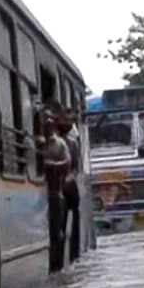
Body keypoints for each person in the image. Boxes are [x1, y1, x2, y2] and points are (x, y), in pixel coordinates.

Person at [38, 106, 72, 272]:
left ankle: (57, 267)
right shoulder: (37, 142)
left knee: (56, 232)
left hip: (54, 193)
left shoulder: (60, 143)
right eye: (45, 121)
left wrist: (51, 165)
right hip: (37, 194)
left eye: (50, 121)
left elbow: (67, 163)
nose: (48, 124)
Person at [57, 108, 82, 263]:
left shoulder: (72, 143)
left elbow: (76, 167)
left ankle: (74, 254)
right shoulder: (52, 140)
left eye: (70, 121)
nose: (67, 123)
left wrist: (68, 179)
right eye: (65, 120)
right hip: (55, 187)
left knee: (74, 217)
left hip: (69, 187)